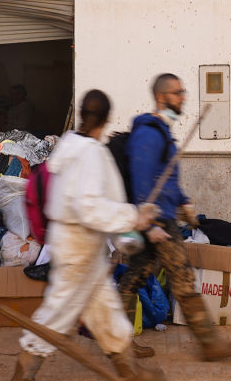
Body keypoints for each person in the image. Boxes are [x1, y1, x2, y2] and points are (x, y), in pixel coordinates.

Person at [13, 90, 165, 381]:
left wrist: (130, 225)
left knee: (106, 315)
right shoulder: (91, 153)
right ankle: (22, 374)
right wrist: (135, 217)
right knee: (54, 318)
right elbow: (90, 208)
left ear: (82, 113)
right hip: (78, 250)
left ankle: (130, 372)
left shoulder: (69, 146)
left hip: (81, 249)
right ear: (106, 119)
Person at [117, 73, 231, 361]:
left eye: (183, 91)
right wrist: (150, 224)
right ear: (162, 97)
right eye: (177, 93)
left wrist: (183, 202)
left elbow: (166, 180)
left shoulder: (161, 131)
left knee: (135, 277)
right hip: (156, 221)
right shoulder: (149, 133)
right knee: (183, 278)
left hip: (161, 217)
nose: (183, 97)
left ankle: (118, 345)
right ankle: (209, 343)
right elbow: (142, 183)